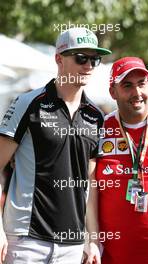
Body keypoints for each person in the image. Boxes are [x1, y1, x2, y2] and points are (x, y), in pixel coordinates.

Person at [0, 27, 111, 264]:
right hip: (26, 240)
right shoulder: (28, 104)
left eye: (95, 59)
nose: (89, 65)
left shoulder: (95, 116)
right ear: (59, 59)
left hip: (72, 244)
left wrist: (92, 239)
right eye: (81, 57)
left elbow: (90, 183)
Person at [96, 57, 148, 264]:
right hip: (114, 258)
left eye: (142, 84)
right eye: (127, 86)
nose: (137, 93)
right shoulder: (97, 131)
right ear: (113, 92)